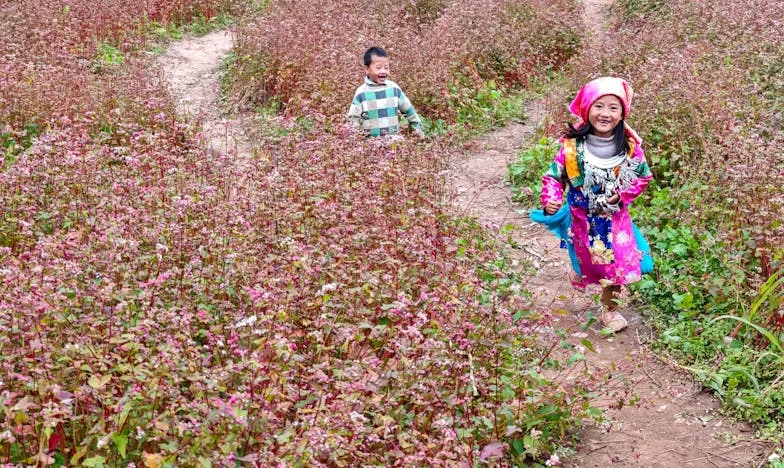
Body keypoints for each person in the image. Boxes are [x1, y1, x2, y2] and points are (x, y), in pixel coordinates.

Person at [537, 77, 653, 332]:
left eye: (614, 107)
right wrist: (551, 199)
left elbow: (643, 176)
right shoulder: (571, 148)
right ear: (587, 108)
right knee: (587, 259)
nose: (605, 113)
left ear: (623, 113)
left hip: (615, 219)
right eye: (599, 106)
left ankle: (610, 310)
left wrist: (621, 195)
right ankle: (579, 268)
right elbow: (553, 176)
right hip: (581, 217)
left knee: (617, 265)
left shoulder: (630, 148)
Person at [346, 46, 425, 138]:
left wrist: (418, 130)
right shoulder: (361, 93)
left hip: (393, 142)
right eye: (378, 68)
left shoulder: (394, 89)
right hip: (370, 145)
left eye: (386, 68)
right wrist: (355, 139)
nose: (383, 71)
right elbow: (353, 118)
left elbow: (409, 111)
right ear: (367, 69)